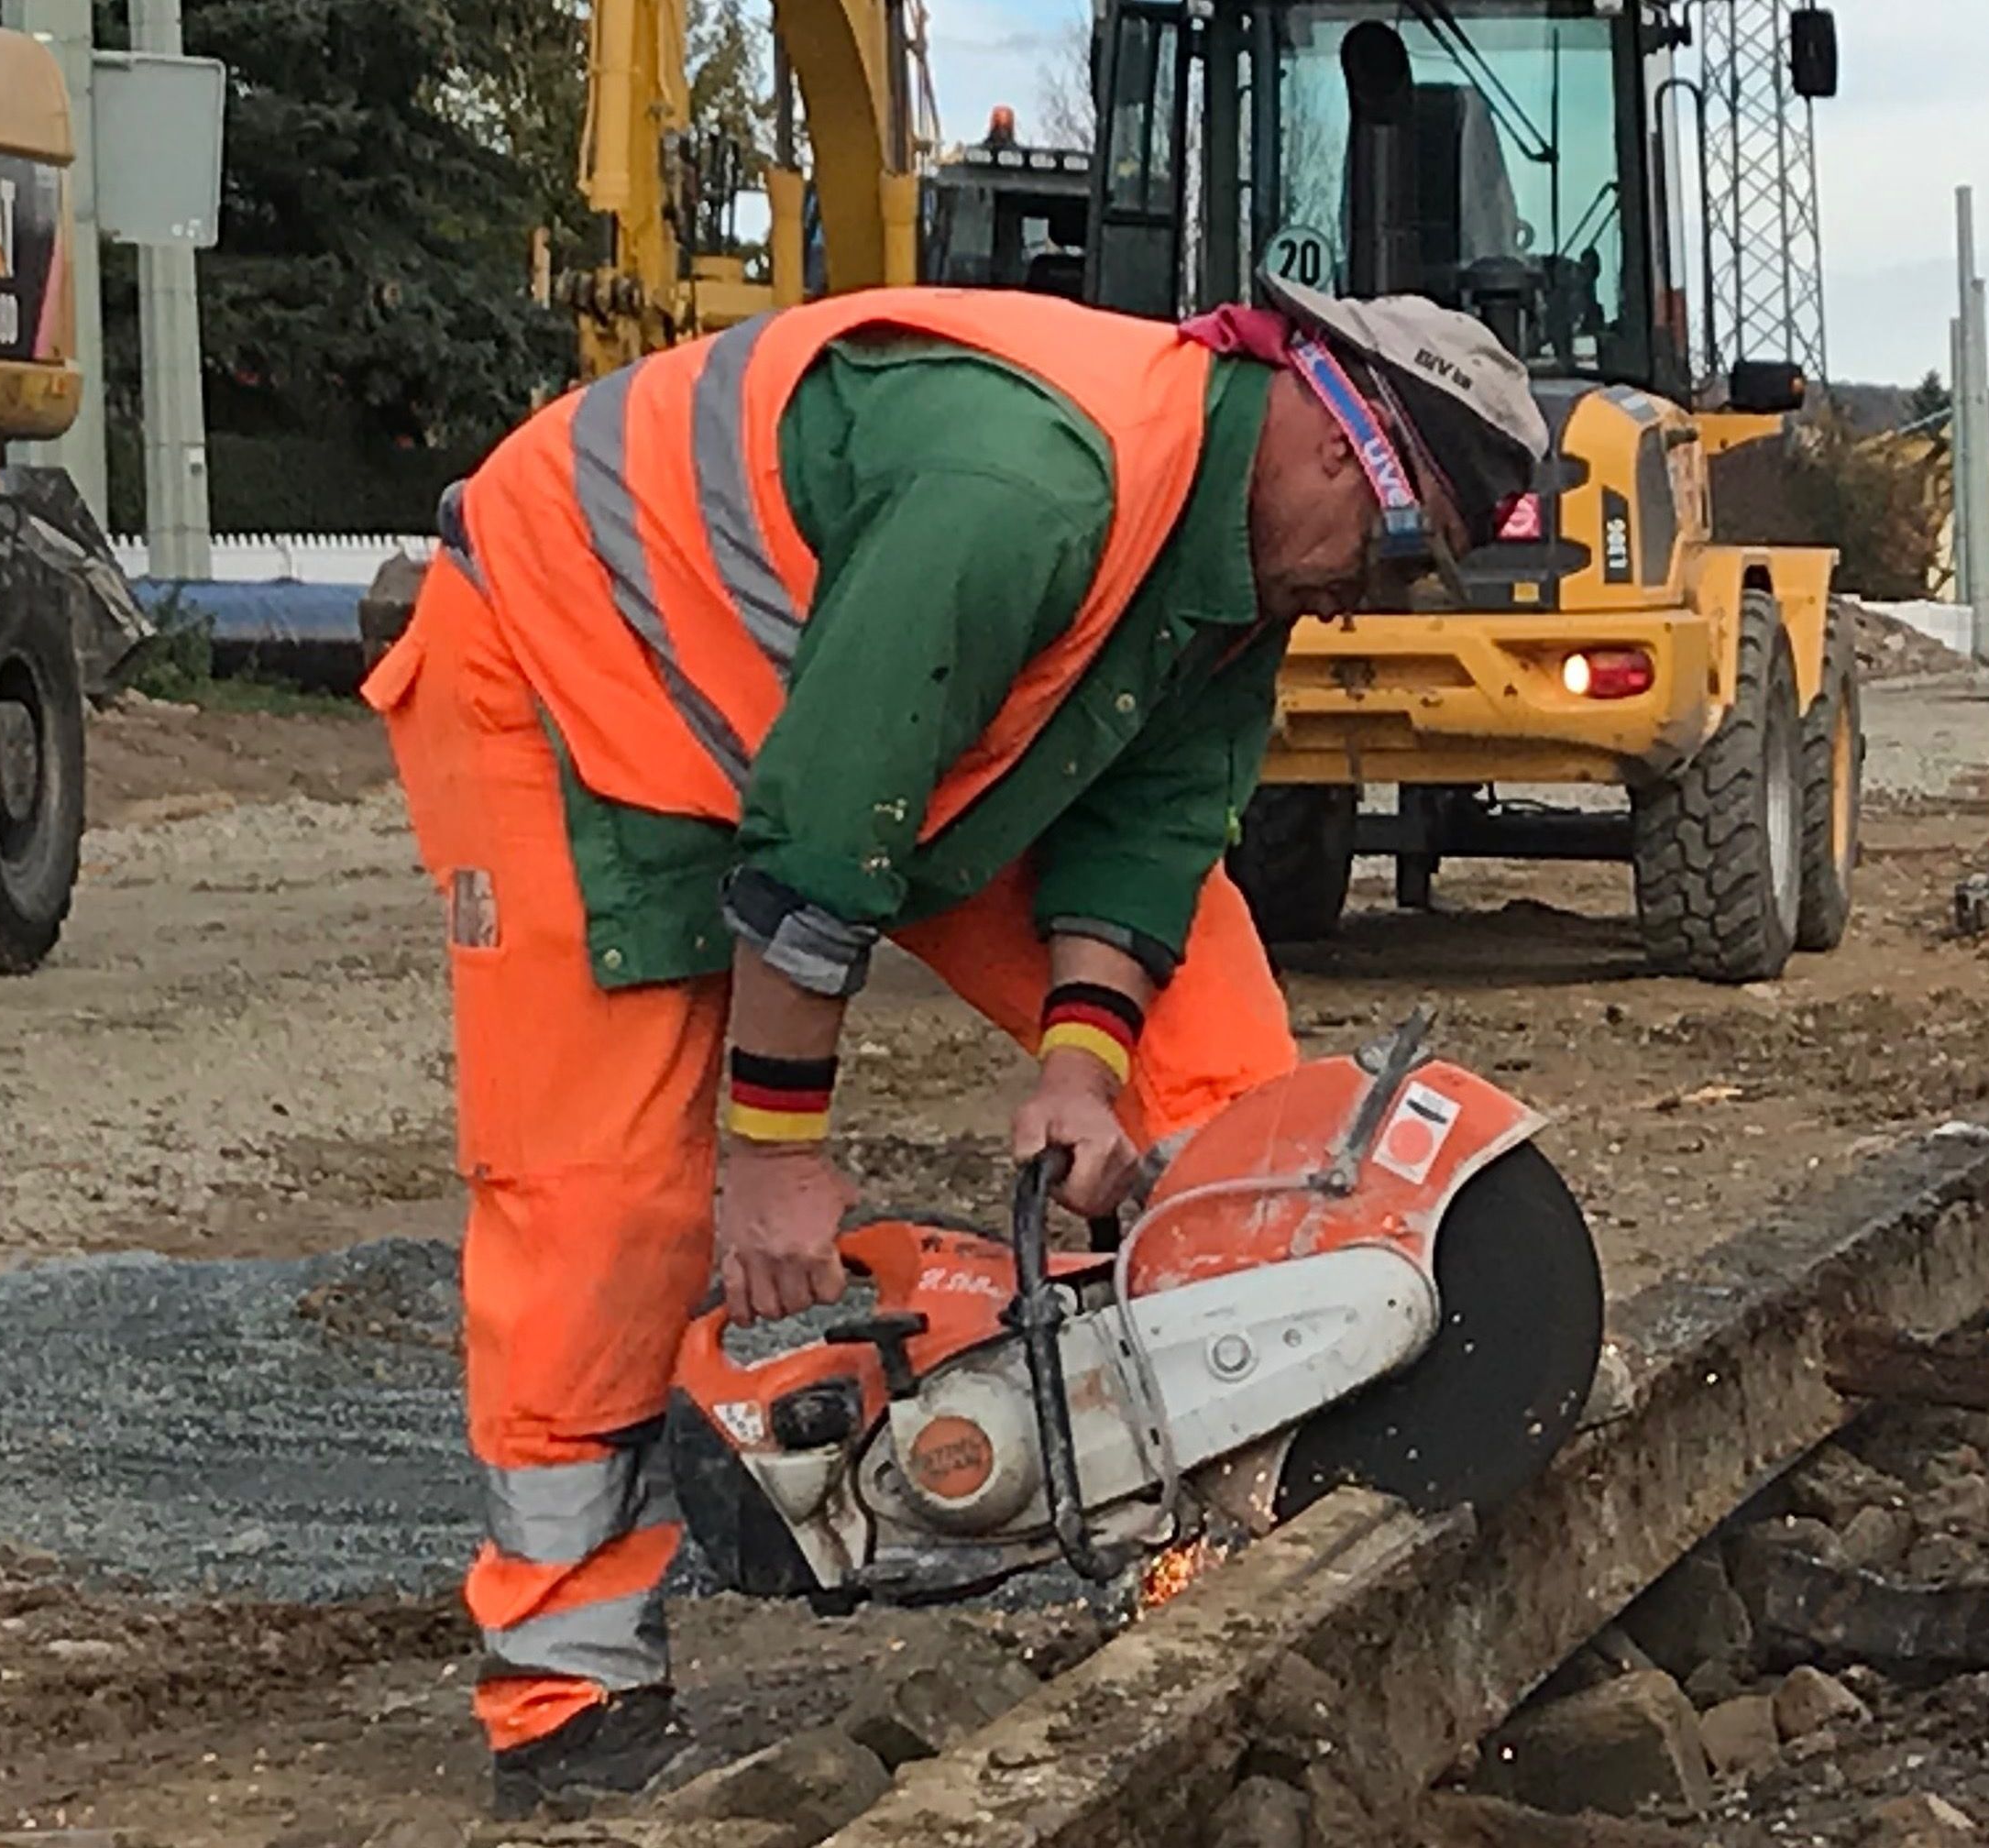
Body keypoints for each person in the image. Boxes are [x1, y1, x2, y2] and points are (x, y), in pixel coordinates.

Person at [362, 280, 1542, 1818]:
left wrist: (1082, 1065)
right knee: (602, 1196)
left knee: (1226, 1071)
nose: (1364, 607)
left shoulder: (1236, 568)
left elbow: (1152, 831)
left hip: (867, 719)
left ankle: (1234, 1492)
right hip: (571, 671)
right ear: (1336, 451)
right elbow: (828, 831)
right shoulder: (1027, 487)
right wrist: (776, 1157)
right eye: (1395, 556)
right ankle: (571, 1685)